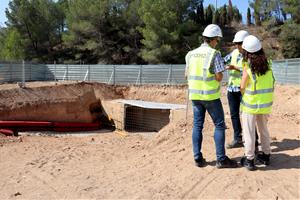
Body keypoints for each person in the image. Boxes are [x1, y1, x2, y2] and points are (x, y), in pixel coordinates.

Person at [185, 24, 238, 168]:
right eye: (217, 40)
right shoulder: (214, 54)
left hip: (195, 96)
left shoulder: (190, 54)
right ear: (213, 39)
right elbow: (219, 77)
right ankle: (221, 159)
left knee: (197, 126)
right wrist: (220, 72)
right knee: (219, 125)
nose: (217, 42)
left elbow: (186, 74)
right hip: (210, 97)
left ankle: (197, 158)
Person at [240, 35, 275, 171]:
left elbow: (242, 86)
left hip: (250, 105)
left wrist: (244, 94)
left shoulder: (248, 66)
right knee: (264, 130)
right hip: (265, 105)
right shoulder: (269, 64)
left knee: (249, 133)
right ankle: (266, 156)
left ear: (247, 52)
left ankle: (249, 160)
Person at [224, 30, 249, 148]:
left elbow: (250, 70)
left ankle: (253, 140)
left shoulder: (250, 54)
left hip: (244, 89)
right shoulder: (233, 53)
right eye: (236, 43)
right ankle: (237, 138)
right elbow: (223, 61)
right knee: (234, 115)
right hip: (232, 89)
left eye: (239, 43)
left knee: (248, 115)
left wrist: (236, 67)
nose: (237, 46)